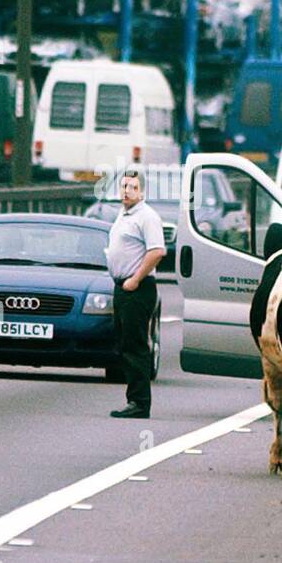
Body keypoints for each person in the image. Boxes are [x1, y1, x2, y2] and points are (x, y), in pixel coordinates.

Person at [106, 169, 166, 419]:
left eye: (132, 187)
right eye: (123, 186)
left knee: (136, 347)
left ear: (141, 191)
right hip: (122, 286)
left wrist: (135, 278)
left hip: (137, 289)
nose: (127, 191)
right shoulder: (124, 214)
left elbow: (157, 251)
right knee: (124, 344)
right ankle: (134, 399)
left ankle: (139, 403)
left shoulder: (147, 217)